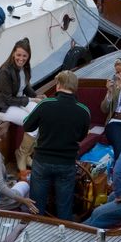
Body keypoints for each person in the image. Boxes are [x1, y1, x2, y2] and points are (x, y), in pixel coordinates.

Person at [22, 70, 91, 220]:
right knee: (64, 208)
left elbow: (27, 125)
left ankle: (33, 233)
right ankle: (63, 238)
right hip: (66, 164)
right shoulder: (84, 111)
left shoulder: (46, 104)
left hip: (42, 162)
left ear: (58, 85)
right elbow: (81, 137)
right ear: (74, 87)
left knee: (36, 207)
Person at [0, 39, 43, 179]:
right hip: (5, 106)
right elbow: (8, 99)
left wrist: (36, 95)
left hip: (19, 100)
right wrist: (31, 100)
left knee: (41, 116)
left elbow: (25, 86)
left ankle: (26, 155)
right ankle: (21, 154)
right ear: (13, 53)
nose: (21, 59)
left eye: (24, 56)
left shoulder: (25, 68)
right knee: (32, 124)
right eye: (18, 55)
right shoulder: (5, 71)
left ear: (28, 57)